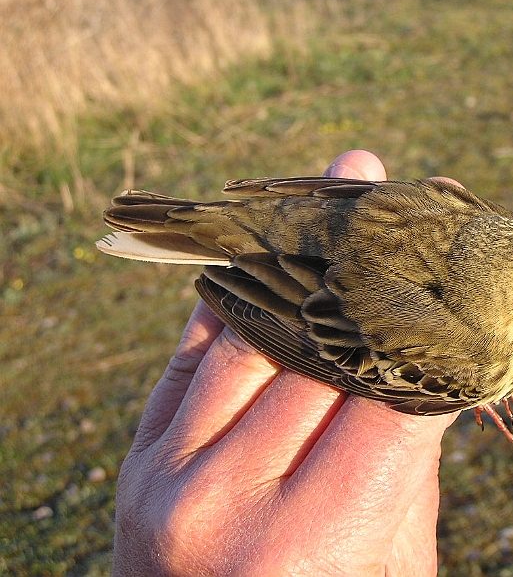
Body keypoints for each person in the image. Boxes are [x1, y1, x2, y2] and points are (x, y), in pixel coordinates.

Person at [112, 150, 457, 577]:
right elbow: (317, 341)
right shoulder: (468, 357)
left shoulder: (476, 222)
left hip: (321, 212)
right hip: (294, 275)